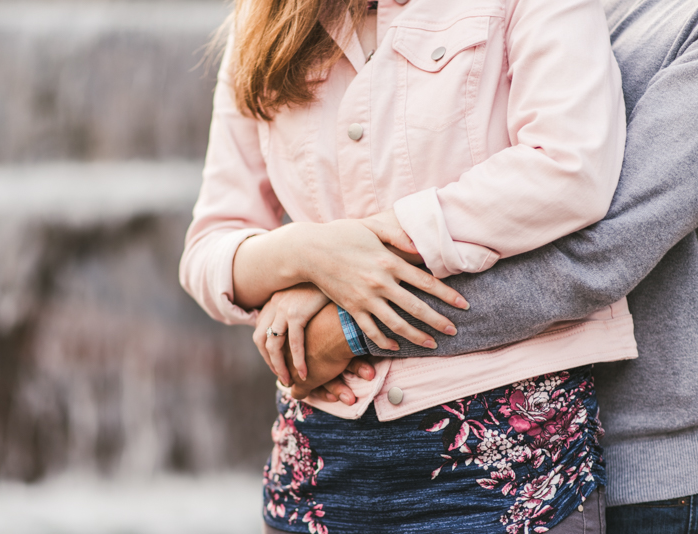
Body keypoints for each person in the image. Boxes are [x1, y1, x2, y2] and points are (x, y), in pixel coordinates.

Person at [179, 0, 631, 531]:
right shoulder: (263, 18)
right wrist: (304, 253)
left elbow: (569, 170)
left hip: (506, 471)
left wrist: (345, 255)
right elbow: (210, 246)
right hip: (317, 467)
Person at [289, 0, 698, 532]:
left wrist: (347, 323)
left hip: (655, 479)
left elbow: (597, 255)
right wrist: (315, 260)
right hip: (511, 462)